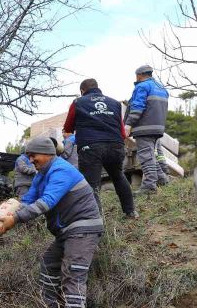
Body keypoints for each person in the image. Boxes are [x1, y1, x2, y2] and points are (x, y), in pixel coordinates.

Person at [0, 136, 103, 308]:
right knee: (49, 264)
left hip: (82, 230)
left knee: (73, 274)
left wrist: (14, 220)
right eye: (28, 156)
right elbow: (29, 200)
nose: (30, 160)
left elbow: (45, 203)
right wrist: (9, 212)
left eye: (33, 155)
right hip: (67, 232)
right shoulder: (42, 174)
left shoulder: (61, 170)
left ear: (47, 154)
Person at [63, 78, 137, 219]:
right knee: (118, 175)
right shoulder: (115, 103)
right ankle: (130, 212)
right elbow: (122, 132)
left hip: (90, 146)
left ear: (82, 91)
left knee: (92, 185)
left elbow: (68, 128)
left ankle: (96, 220)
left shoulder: (78, 102)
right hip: (115, 145)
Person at [124, 65, 169, 194]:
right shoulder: (161, 88)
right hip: (158, 128)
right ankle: (162, 180)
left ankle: (149, 186)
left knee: (146, 157)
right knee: (152, 156)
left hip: (144, 128)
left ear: (139, 75)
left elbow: (137, 107)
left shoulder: (142, 86)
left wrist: (128, 124)